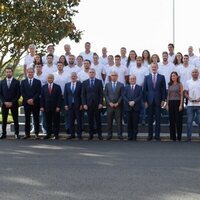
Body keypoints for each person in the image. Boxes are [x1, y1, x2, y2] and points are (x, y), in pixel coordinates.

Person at [143, 63, 166, 141]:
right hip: (149, 101)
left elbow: (163, 90)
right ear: (150, 68)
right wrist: (145, 101)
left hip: (158, 101)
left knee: (158, 119)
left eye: (155, 67)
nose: (154, 68)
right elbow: (144, 90)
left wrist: (163, 100)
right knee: (149, 119)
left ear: (157, 67)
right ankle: (150, 135)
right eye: (152, 67)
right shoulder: (146, 77)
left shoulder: (162, 77)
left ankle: (157, 135)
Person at [82, 68, 103, 140]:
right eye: (90, 72)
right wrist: (84, 104)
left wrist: (101, 103)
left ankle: (100, 134)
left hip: (97, 104)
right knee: (90, 120)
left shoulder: (99, 82)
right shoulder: (84, 82)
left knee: (98, 120)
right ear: (88, 73)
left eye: (92, 72)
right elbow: (83, 94)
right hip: (88, 104)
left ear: (95, 73)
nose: (91, 73)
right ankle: (91, 134)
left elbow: (101, 94)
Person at [21, 67, 41, 139]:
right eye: (29, 72)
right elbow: (22, 92)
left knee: (36, 118)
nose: (30, 73)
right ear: (27, 73)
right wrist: (27, 100)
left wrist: (32, 99)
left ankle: (36, 134)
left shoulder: (38, 81)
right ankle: (27, 134)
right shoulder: (23, 82)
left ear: (33, 73)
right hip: (26, 103)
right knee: (27, 119)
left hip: (35, 103)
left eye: (31, 72)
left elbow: (38, 92)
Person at [0, 67, 20, 139]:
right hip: (4, 104)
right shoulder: (1, 82)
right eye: (7, 72)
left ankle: (16, 134)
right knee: (4, 119)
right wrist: (4, 102)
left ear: (12, 73)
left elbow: (18, 94)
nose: (8, 73)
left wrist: (12, 102)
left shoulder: (17, 82)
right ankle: (3, 134)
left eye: (10, 72)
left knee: (15, 119)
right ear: (5, 73)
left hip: (13, 104)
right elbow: (0, 94)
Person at [41, 74, 62, 139]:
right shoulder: (44, 87)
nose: (50, 79)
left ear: (53, 79)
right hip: (46, 107)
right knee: (48, 121)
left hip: (55, 107)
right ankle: (48, 134)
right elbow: (42, 98)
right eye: (49, 78)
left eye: (51, 78)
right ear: (47, 79)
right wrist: (41, 106)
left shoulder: (57, 87)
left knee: (56, 121)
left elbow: (59, 98)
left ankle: (56, 134)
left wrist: (58, 106)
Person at [105, 71, 124, 140]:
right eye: (112, 75)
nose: (113, 76)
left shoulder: (121, 85)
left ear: (117, 76)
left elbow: (122, 96)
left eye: (115, 75)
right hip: (109, 106)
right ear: (110, 76)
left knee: (119, 121)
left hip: (118, 106)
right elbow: (106, 95)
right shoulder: (107, 85)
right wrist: (109, 102)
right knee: (109, 121)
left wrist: (117, 103)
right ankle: (109, 135)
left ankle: (120, 135)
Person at [123, 75, 142, 141]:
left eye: (133, 79)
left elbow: (140, 96)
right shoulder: (126, 88)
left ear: (135, 79)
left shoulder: (139, 87)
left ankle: (134, 136)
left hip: (136, 107)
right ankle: (129, 136)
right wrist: (129, 102)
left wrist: (134, 101)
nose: (132, 80)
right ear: (129, 80)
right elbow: (124, 96)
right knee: (129, 122)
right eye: (131, 79)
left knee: (135, 122)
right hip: (128, 107)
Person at [64, 72, 82, 140]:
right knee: (70, 120)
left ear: (76, 77)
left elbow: (81, 95)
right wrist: (65, 104)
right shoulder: (67, 85)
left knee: (79, 120)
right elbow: (65, 95)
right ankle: (72, 134)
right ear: (70, 77)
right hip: (70, 105)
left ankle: (79, 134)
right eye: (72, 76)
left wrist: (81, 104)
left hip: (78, 105)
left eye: (74, 76)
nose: (73, 77)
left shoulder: (80, 85)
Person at [166, 72, 183, 141]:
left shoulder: (180, 84)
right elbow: (168, 95)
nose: (173, 77)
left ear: (177, 77)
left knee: (178, 120)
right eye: (172, 76)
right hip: (171, 102)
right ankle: (172, 137)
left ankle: (179, 137)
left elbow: (182, 95)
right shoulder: (169, 84)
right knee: (171, 120)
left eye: (174, 76)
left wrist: (181, 105)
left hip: (178, 102)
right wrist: (167, 104)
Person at [184, 68, 200, 141]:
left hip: (199, 104)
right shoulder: (188, 82)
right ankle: (189, 137)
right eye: (193, 72)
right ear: (191, 73)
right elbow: (185, 92)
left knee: (199, 121)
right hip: (190, 105)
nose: (194, 73)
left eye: (196, 72)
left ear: (198, 73)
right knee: (189, 121)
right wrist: (188, 97)